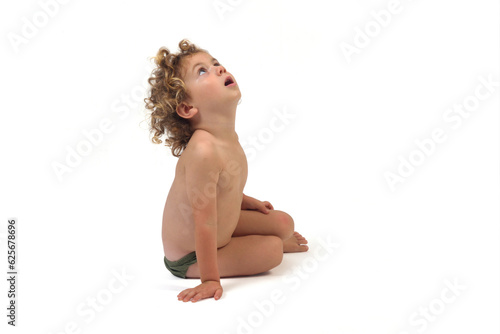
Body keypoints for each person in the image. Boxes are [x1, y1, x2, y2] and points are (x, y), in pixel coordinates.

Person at [144, 39, 309, 303]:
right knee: (272, 251)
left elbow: (220, 187)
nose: (219, 69)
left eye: (216, 63)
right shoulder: (203, 151)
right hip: (193, 255)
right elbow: (204, 223)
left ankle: (260, 239)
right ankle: (212, 266)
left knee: (283, 223)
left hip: (221, 225)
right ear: (187, 108)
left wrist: (246, 201)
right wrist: (210, 279)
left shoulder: (226, 136)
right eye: (202, 71)